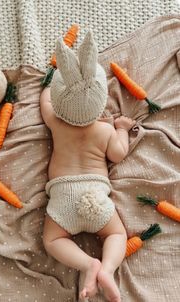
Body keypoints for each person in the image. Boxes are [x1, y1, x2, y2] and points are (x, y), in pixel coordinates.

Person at [40, 31, 136, 302]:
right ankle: (107, 268)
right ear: (101, 102)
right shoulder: (104, 131)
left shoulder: (56, 123)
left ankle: (87, 265)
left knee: (52, 241)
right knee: (116, 234)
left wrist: (50, 87)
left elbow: (45, 99)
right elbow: (118, 154)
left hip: (63, 197)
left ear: (60, 105)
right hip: (96, 196)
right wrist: (122, 129)